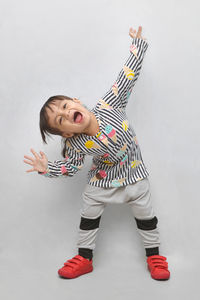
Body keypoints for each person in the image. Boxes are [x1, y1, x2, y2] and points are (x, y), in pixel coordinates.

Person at [24, 26, 170, 280]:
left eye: (67, 106)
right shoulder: (75, 145)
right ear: (67, 133)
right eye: (61, 120)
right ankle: (84, 257)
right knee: (89, 210)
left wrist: (137, 46)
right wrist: (48, 169)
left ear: (77, 101)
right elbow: (71, 168)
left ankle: (154, 256)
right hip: (103, 179)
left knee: (145, 214)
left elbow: (128, 76)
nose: (67, 114)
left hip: (134, 173)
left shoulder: (109, 104)